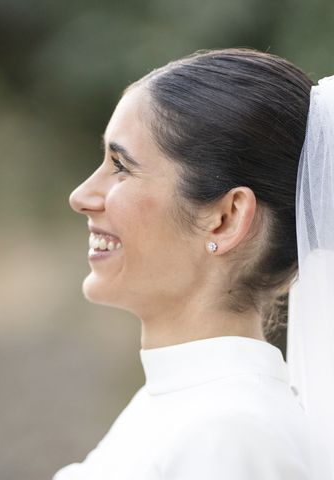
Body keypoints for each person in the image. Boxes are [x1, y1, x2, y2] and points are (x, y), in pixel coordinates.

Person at [54, 49, 315, 479]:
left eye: (120, 167)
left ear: (225, 219)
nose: (81, 195)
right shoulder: (176, 404)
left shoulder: (229, 433)